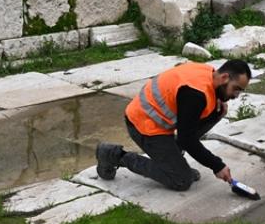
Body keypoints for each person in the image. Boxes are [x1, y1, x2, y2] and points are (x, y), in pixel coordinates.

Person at [95, 59, 251, 192]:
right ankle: (113, 155)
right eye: (236, 89)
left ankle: (174, 159)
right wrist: (217, 165)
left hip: (158, 123)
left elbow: (189, 127)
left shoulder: (209, 73)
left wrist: (216, 111)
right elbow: (187, 139)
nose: (236, 96)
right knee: (181, 180)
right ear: (224, 77)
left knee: (216, 111)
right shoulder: (195, 94)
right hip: (143, 125)